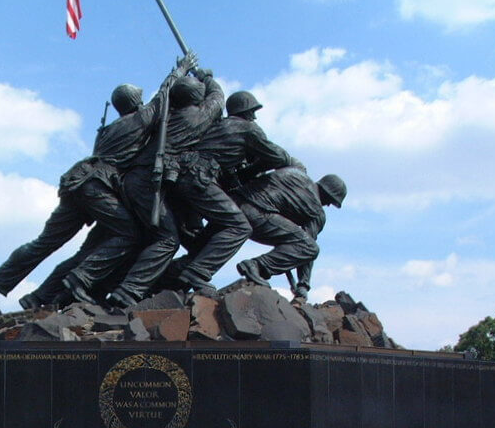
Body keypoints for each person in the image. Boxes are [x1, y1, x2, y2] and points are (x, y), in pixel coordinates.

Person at [0, 53, 197, 314]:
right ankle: (81, 278)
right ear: (136, 102)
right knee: (129, 233)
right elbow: (164, 95)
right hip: (96, 185)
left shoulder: (110, 130)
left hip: (77, 182)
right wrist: (181, 69)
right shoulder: (140, 119)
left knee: (45, 242)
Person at [106, 68, 225, 307]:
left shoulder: (164, 117)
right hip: (147, 183)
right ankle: (127, 292)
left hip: (139, 181)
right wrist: (207, 76)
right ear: (194, 98)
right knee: (168, 240)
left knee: (180, 235)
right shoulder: (196, 116)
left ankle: (164, 280)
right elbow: (218, 98)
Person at [162, 90, 295, 292]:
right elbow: (279, 158)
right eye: (253, 112)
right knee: (240, 227)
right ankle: (197, 272)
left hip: (182, 177)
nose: (255, 117)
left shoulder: (218, 126)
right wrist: (254, 168)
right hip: (199, 178)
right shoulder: (248, 129)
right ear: (246, 112)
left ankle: (171, 275)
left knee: (203, 237)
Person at [232, 161, 346, 304]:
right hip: (255, 214)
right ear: (328, 194)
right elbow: (306, 247)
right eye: (331, 201)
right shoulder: (316, 211)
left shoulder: (296, 171)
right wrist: (303, 285)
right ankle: (257, 265)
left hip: (232, 201)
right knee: (310, 248)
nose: (328, 205)